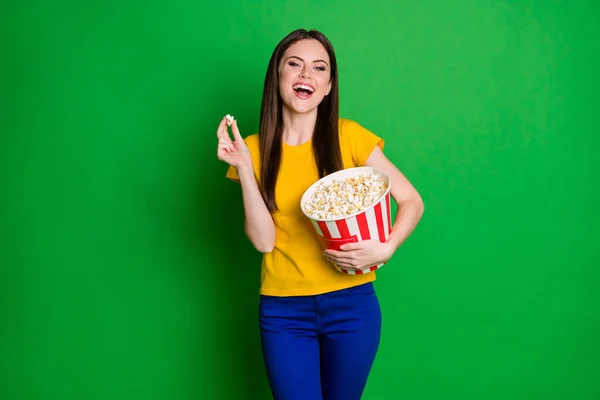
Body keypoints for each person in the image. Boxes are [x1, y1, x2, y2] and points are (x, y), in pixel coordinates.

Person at [216, 28, 424, 400]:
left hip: (352, 305)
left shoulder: (350, 137)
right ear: (277, 77)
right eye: (294, 65)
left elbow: (412, 201)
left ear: (328, 86)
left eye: (318, 68)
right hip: (283, 312)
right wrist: (245, 170)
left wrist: (387, 248)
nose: (305, 75)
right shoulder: (250, 149)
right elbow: (264, 241)